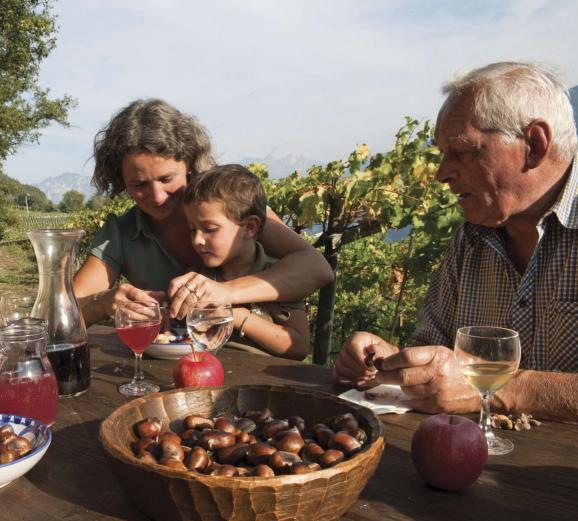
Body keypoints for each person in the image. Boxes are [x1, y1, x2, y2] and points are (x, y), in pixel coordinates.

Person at [334, 61, 578, 422]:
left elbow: (469, 383)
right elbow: (434, 350)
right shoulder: (472, 240)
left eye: (462, 152)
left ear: (534, 145)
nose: (441, 174)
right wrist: (392, 363)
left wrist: (499, 388)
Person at [74, 99, 334, 325]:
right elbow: (63, 315)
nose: (157, 196)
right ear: (120, 180)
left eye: (167, 179)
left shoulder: (231, 208)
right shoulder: (120, 233)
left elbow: (316, 269)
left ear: (189, 164)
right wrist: (101, 303)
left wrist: (224, 292)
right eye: (139, 184)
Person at [182, 164, 309, 359]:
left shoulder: (278, 278)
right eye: (192, 229)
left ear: (250, 227)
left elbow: (298, 347)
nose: (197, 240)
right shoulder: (199, 277)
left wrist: (234, 315)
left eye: (209, 229)